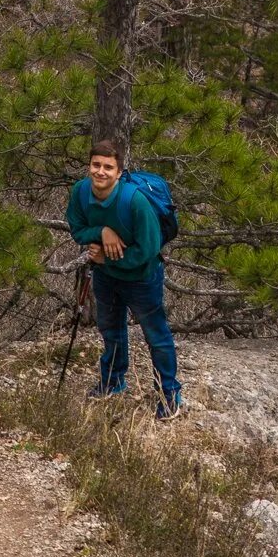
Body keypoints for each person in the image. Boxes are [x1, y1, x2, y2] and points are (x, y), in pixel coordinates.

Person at [65, 139, 183, 420]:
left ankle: (169, 395)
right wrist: (101, 231)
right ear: (88, 167)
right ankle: (113, 381)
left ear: (119, 173)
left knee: (156, 336)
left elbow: (149, 249)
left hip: (142, 278)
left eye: (108, 167)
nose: (101, 172)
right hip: (106, 277)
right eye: (96, 165)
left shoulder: (135, 201)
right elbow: (77, 229)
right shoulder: (81, 192)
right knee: (110, 328)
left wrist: (108, 258)